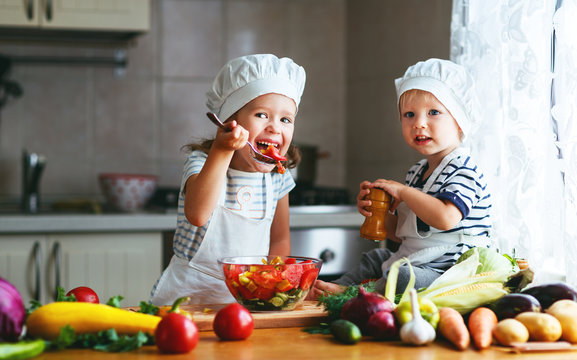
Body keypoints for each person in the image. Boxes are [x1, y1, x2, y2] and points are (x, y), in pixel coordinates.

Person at [308, 58, 493, 300]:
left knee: (405, 276)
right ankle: (327, 290)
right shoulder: (417, 172)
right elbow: (406, 234)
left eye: (433, 112)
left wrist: (404, 193)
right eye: (409, 114)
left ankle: (352, 294)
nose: (419, 123)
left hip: (451, 272)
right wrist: (379, 215)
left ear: (460, 121)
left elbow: (446, 218)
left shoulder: (465, 170)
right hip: (417, 260)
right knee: (376, 258)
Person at [150, 54, 306, 305]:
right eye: (262, 115)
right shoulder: (201, 162)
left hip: (245, 300)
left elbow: (279, 239)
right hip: (186, 299)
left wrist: (272, 283)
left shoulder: (278, 177)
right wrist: (222, 150)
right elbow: (197, 215)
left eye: (285, 119)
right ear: (229, 121)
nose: (275, 127)